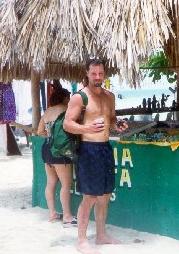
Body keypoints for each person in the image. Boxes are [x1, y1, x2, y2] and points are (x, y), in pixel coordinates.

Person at [63, 58, 128, 254]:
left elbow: (112, 120)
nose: (97, 77)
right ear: (87, 73)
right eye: (93, 74)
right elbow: (67, 123)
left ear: (104, 74)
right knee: (89, 196)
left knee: (105, 195)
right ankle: (81, 240)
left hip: (105, 148)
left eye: (100, 74)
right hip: (88, 149)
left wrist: (118, 125)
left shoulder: (110, 97)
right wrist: (87, 127)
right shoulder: (79, 97)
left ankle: (100, 235)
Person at [36, 84, 76, 227]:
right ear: (65, 98)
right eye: (69, 97)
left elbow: (40, 132)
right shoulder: (67, 110)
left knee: (51, 183)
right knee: (66, 184)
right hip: (60, 150)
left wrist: (51, 136)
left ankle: (52, 213)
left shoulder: (47, 112)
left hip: (46, 148)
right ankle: (67, 215)